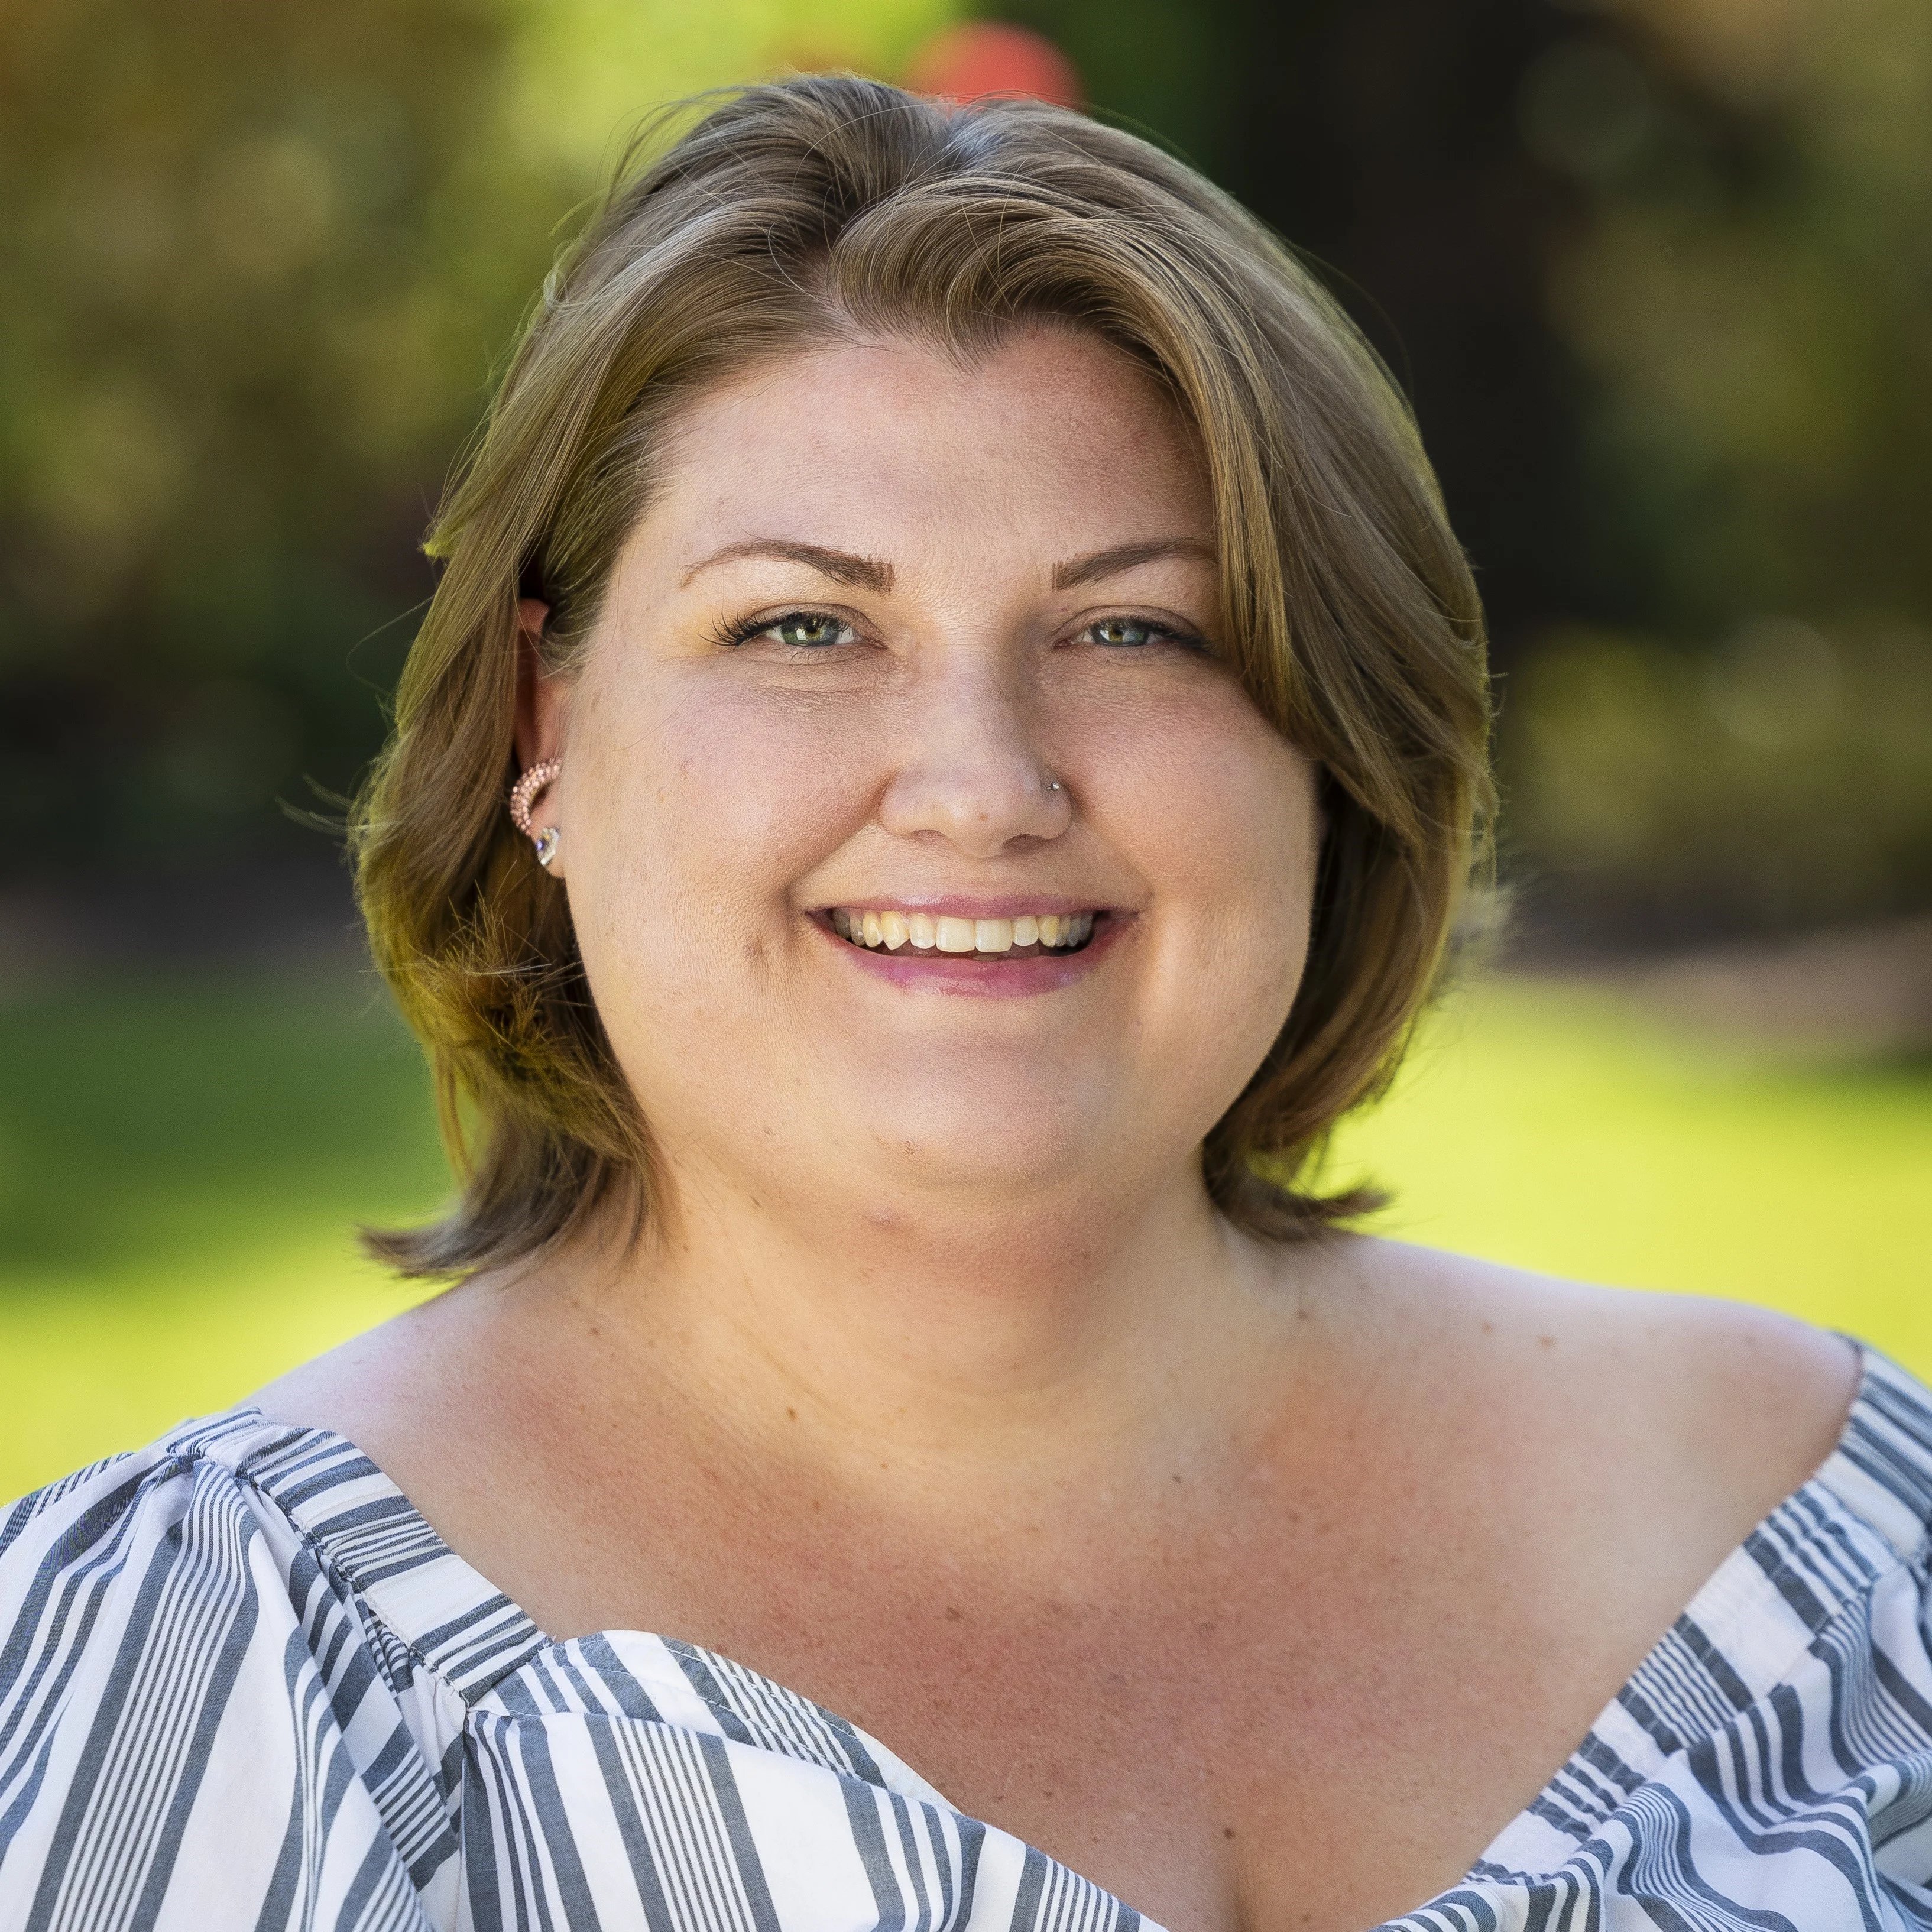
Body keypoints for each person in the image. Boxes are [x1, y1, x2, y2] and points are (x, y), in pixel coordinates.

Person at [0, 76, 1923, 1932]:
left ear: (1326, 748)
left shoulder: (1842, 1548)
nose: (983, 785)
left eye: (1134, 628)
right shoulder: (218, 1666)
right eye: (802, 625)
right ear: (544, 730)